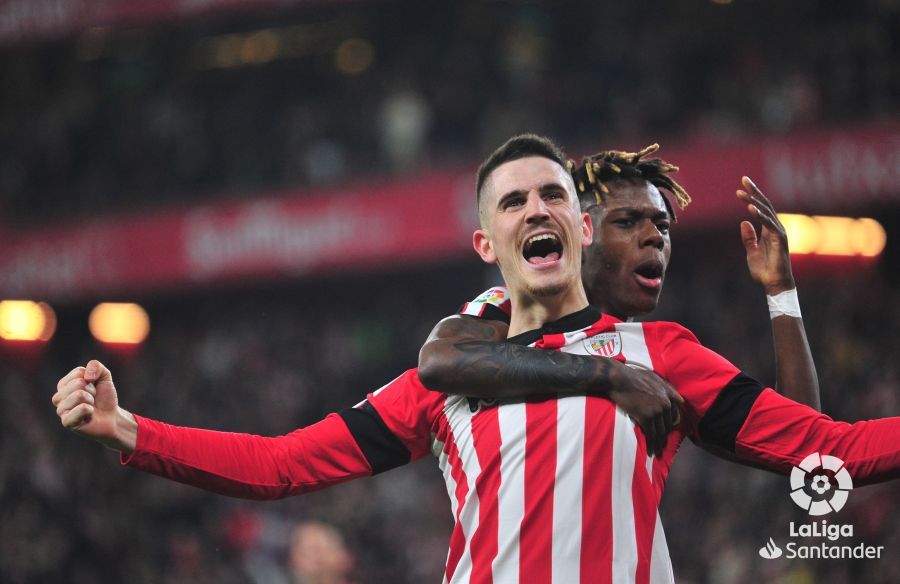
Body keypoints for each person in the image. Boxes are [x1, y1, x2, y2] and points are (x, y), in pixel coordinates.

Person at [52, 134, 899, 583]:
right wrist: (131, 432)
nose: (538, 208)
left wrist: (782, 297)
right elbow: (280, 464)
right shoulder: (452, 365)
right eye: (514, 200)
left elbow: (831, 453)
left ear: (579, 225)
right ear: (486, 239)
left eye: (554, 196)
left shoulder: (664, 353)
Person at [418, 142, 821, 460]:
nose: (654, 238)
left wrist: (781, 291)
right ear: (582, 231)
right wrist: (610, 375)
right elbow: (440, 361)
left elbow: (800, 440)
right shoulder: (507, 308)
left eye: (662, 225)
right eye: (627, 222)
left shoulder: (662, 354)